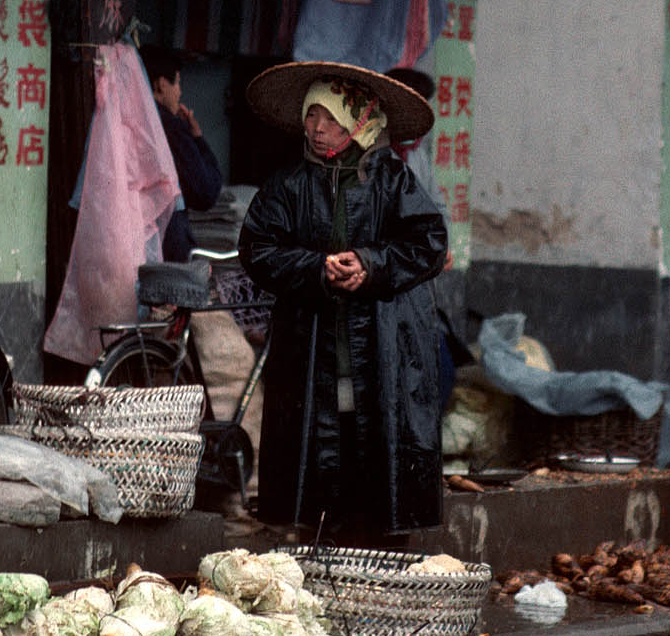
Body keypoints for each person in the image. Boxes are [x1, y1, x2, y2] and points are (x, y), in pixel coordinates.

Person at [238, 60, 446, 541]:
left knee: (376, 441)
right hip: (314, 343)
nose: (315, 128)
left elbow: (428, 242)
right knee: (320, 451)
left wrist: (370, 265)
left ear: (356, 122)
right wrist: (316, 268)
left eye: (328, 118)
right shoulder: (289, 185)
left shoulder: (393, 180)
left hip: (383, 343)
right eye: (311, 116)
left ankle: (381, 558)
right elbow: (258, 248)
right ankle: (325, 552)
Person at [141, 46, 224, 262]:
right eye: (177, 82)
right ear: (160, 85)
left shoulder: (134, 122)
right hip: (168, 245)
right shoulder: (170, 126)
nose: (179, 91)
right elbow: (205, 192)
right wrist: (197, 139)